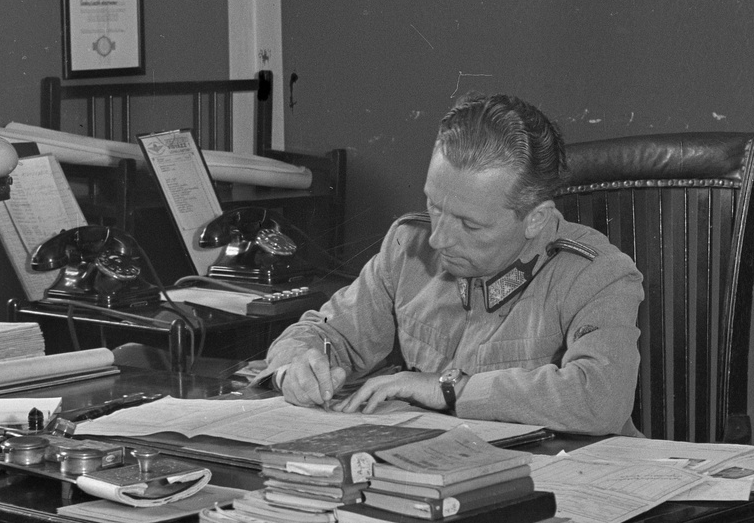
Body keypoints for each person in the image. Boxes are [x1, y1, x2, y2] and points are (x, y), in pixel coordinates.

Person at [260, 93, 644, 435]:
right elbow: (326, 334)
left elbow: (601, 398)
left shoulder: (595, 273)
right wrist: (298, 367)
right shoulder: (408, 248)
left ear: (536, 220)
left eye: (469, 224)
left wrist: (450, 387)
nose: (438, 238)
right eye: (435, 206)